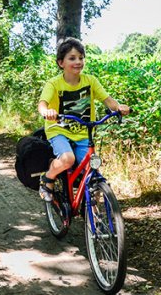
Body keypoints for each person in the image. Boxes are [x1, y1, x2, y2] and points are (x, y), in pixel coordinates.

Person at [36, 37, 130, 201]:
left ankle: (91, 207)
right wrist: (47, 112)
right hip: (58, 131)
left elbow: (108, 101)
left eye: (81, 58)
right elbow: (42, 104)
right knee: (68, 159)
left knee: (93, 168)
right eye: (72, 58)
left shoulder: (90, 81)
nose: (78, 62)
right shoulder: (54, 84)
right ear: (61, 63)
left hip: (83, 133)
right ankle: (48, 178)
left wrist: (119, 107)